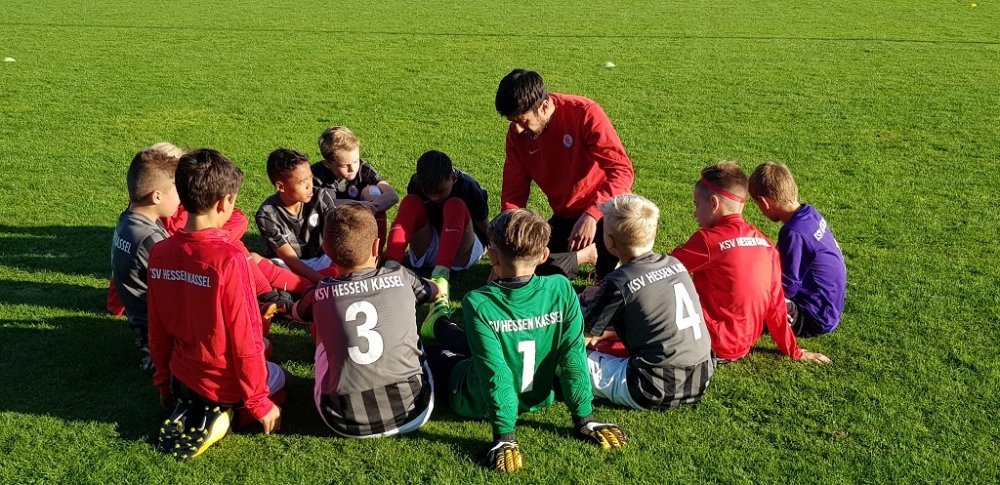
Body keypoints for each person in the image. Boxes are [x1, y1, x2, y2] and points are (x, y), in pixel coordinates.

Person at [422, 209, 627, 473]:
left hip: (472, 400)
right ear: (543, 255)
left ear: (492, 256)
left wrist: (505, 436)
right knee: (484, 346)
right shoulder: (562, 288)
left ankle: (438, 320)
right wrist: (584, 418)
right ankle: (439, 322)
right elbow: (573, 355)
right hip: (537, 397)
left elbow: (495, 372)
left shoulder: (478, 301)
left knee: (431, 351)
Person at [147, 149, 286, 460]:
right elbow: (245, 337)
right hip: (224, 385)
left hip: (182, 378)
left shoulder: (160, 253)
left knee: (265, 351)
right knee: (283, 381)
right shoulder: (230, 258)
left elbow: (157, 329)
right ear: (224, 202)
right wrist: (259, 402)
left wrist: (164, 384)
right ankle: (226, 417)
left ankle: (192, 407)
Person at [291, 204, 444, 438]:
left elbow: (297, 313)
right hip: (414, 411)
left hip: (342, 420)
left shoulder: (320, 292)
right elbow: (434, 292)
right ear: (376, 246)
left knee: (318, 322)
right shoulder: (401, 276)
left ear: (326, 250)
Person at [670, 161, 831, 365]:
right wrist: (794, 351)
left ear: (714, 203)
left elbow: (660, 272)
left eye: (697, 205)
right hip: (741, 346)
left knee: (660, 294)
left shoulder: (708, 241)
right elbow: (776, 306)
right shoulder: (766, 244)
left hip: (711, 343)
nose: (695, 213)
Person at [495, 69, 634, 281]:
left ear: (543, 107)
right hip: (565, 216)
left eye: (522, 121)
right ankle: (585, 256)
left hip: (605, 212)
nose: (518, 130)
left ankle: (606, 260)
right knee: (529, 267)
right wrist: (506, 247)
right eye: (512, 122)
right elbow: (514, 192)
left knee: (612, 280)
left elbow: (621, 170)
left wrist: (592, 214)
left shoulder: (584, 113)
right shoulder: (517, 134)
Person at [580, 195, 714, 410]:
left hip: (649, 387)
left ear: (610, 241)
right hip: (701, 378)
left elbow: (580, 341)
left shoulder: (619, 281)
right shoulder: (675, 264)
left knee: (561, 358)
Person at [384, 150, 488, 327]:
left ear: (453, 178)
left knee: (455, 205)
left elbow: (485, 227)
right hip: (431, 243)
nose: (434, 197)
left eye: (440, 191)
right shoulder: (416, 183)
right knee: (410, 202)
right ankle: (390, 269)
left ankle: (441, 275)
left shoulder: (469, 187)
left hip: (462, 251)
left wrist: (499, 256)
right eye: (428, 192)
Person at [748, 162, 847, 337]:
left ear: (764, 202)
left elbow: (786, 287)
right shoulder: (809, 214)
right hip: (828, 307)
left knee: (750, 302)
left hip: (813, 317)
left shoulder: (794, 233)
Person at [111, 148, 181, 370]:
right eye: (177, 191)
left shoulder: (128, 221)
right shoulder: (150, 240)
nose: (180, 198)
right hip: (157, 331)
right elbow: (177, 294)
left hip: (140, 322)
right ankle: (161, 355)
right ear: (157, 196)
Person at [256, 148, 339, 283]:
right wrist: (323, 281)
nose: (309, 185)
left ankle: (302, 288)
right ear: (281, 186)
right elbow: (291, 259)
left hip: (325, 259)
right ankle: (304, 286)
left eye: (310, 178)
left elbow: (338, 236)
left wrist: (335, 267)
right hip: (291, 268)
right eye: (302, 182)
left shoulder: (320, 196)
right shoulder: (267, 214)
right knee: (259, 263)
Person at [314, 126, 399, 249]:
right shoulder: (318, 175)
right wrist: (360, 206)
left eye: (355, 161)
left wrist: (371, 206)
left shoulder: (363, 169)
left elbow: (392, 196)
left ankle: (376, 253)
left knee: (373, 191)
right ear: (327, 163)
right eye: (345, 165)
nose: (353, 168)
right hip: (331, 230)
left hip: (361, 224)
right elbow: (326, 206)